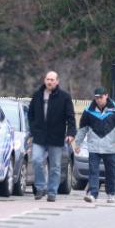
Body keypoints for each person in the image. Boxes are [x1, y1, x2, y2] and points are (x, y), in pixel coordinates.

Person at [28, 71, 76, 202]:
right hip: (39, 136)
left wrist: (71, 133)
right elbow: (30, 114)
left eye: (52, 79)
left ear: (57, 81)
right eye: (48, 79)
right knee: (37, 160)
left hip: (56, 137)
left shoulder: (64, 97)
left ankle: (52, 192)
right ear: (44, 80)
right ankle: (40, 187)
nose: (49, 82)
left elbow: (70, 117)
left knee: (55, 166)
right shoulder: (37, 95)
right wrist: (33, 129)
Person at [74, 86, 115, 203]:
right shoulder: (89, 110)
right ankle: (93, 193)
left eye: (101, 97)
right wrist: (78, 144)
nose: (98, 100)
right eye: (96, 98)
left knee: (111, 172)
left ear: (106, 96)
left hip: (111, 147)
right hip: (94, 146)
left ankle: (111, 193)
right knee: (93, 171)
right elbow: (83, 128)